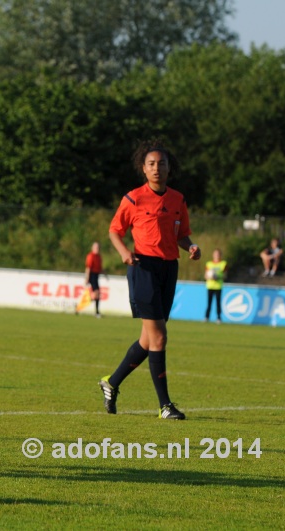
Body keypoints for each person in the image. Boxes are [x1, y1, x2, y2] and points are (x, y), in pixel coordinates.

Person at [99, 138, 201, 421]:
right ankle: (165, 405)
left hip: (169, 269)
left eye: (162, 163)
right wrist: (123, 252)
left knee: (148, 339)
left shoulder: (178, 200)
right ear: (143, 169)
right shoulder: (133, 198)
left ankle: (111, 382)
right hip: (143, 267)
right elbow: (114, 230)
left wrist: (191, 247)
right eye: (151, 164)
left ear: (169, 168)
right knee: (159, 336)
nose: (157, 168)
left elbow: (182, 234)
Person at [204, 249, 227, 323]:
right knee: (209, 303)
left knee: (218, 303)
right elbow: (206, 275)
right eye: (215, 254)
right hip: (210, 285)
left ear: (220, 255)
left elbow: (225, 275)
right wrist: (209, 277)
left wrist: (217, 277)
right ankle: (207, 317)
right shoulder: (209, 264)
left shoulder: (223, 263)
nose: (216, 255)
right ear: (213, 255)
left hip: (218, 286)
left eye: (218, 254)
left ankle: (219, 318)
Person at [84, 241, 103, 318]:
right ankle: (97, 312)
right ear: (92, 248)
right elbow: (88, 268)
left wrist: (105, 274)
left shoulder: (99, 257)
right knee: (96, 293)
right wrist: (87, 278)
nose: (97, 249)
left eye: (98, 247)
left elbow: (100, 268)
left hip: (96, 275)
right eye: (96, 247)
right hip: (92, 276)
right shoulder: (90, 256)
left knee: (96, 294)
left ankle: (96, 311)